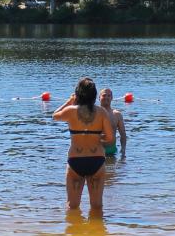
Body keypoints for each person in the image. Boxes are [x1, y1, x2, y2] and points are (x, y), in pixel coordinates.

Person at [53, 78, 114, 213]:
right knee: (97, 206)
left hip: (76, 160)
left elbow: (55, 116)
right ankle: (97, 231)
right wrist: (96, 138)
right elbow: (110, 138)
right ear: (94, 95)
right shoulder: (102, 112)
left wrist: (69, 102)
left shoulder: (70, 110)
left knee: (72, 206)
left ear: (78, 94)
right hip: (96, 160)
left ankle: (74, 231)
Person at [99, 87, 127, 159]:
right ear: (99, 98)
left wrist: (123, 151)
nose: (106, 97)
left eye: (109, 96)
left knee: (111, 169)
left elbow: (123, 134)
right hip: (96, 151)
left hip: (111, 151)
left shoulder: (117, 114)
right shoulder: (93, 113)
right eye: (104, 95)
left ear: (112, 98)